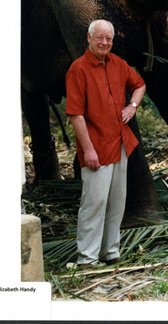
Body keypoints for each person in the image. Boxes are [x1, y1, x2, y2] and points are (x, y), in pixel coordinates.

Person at [65, 19, 146, 268]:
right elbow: (76, 115)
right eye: (99, 37)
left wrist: (132, 106)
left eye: (108, 38)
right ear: (89, 38)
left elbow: (140, 84)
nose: (104, 42)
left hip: (120, 143)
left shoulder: (118, 64)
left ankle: (110, 252)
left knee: (116, 202)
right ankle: (87, 259)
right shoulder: (78, 69)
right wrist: (87, 150)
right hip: (96, 148)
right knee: (94, 203)